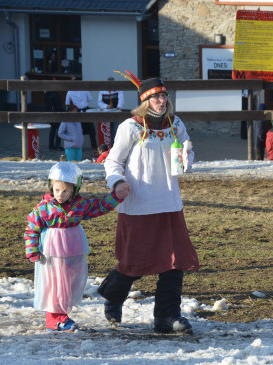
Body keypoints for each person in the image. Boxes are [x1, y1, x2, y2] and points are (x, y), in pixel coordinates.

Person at [97, 76, 199, 335]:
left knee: (175, 260)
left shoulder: (175, 124)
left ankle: (167, 316)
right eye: (155, 97)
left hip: (169, 201)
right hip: (138, 203)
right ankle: (112, 296)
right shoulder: (130, 127)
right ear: (144, 101)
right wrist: (117, 182)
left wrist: (188, 156)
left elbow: (187, 149)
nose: (161, 101)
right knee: (134, 261)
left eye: (164, 96)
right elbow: (113, 161)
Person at [24, 162, 126, 331]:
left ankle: (61, 314)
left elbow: (99, 206)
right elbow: (32, 228)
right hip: (52, 250)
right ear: (51, 187)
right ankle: (55, 318)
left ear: (74, 190)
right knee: (55, 283)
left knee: (70, 282)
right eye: (56, 190)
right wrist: (32, 249)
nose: (60, 195)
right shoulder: (44, 207)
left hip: (73, 248)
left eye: (65, 191)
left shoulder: (79, 205)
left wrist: (116, 196)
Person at [65, 79, 98, 158]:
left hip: (77, 111)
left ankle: (78, 147)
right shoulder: (84, 89)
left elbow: (67, 103)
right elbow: (90, 98)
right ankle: (94, 148)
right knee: (91, 131)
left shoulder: (70, 91)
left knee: (78, 130)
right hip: (86, 109)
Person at [98, 77, 125, 144]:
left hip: (116, 113)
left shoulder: (118, 89)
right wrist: (106, 106)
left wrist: (118, 107)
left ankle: (115, 146)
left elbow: (121, 99)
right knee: (107, 132)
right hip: (106, 114)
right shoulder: (102, 90)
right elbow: (99, 102)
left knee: (116, 130)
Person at [45, 80, 63, 150]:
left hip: (50, 114)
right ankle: (57, 144)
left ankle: (51, 145)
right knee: (59, 129)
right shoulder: (55, 95)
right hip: (57, 114)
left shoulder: (47, 95)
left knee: (52, 130)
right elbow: (58, 106)